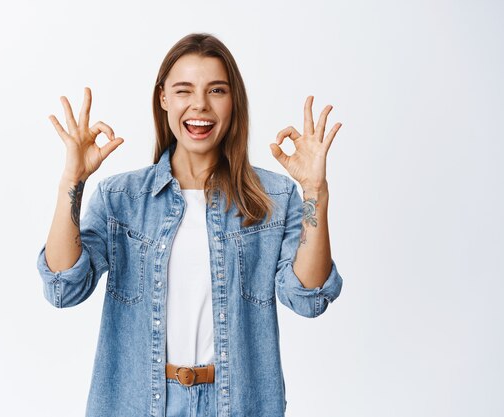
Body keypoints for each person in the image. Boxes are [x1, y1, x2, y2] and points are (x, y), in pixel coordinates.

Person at [36, 32, 344, 417]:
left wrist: (315, 190)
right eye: (184, 91)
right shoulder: (121, 199)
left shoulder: (274, 197)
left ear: (234, 102)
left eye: (216, 90)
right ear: (163, 98)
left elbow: (309, 298)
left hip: (238, 404)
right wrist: (72, 182)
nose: (200, 105)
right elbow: (64, 286)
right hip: (137, 404)